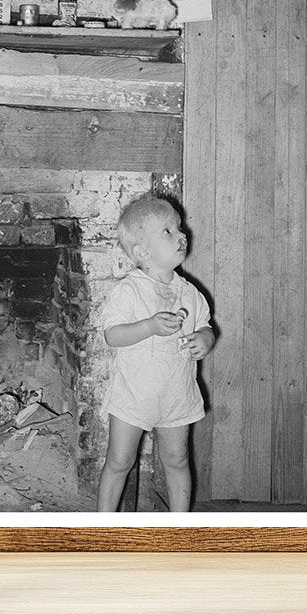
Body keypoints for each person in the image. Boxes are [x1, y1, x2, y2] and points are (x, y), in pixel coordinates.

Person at [97, 195, 215, 512]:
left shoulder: (190, 293)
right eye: (168, 231)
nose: (181, 235)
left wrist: (205, 339)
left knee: (177, 459)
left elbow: (205, 326)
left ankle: (179, 527)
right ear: (142, 252)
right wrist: (148, 326)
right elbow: (112, 335)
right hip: (133, 396)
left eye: (179, 227)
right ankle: (102, 526)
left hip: (176, 394)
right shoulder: (129, 290)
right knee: (119, 462)